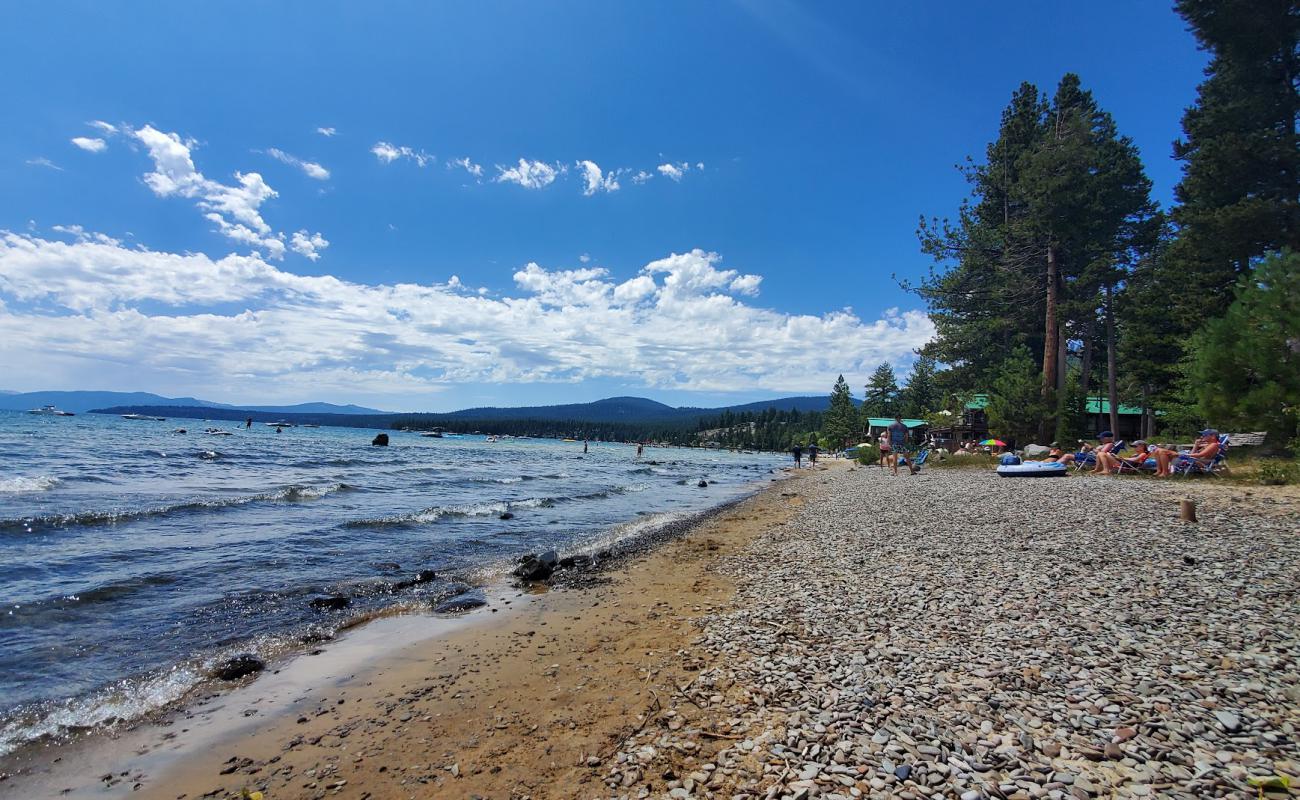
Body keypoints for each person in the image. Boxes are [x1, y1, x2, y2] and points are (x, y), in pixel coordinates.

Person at [1152, 429, 1221, 477]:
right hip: (1192, 459)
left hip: (1199, 462)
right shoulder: (1207, 445)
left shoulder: (1214, 445)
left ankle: (1165, 472)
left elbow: (1200, 455)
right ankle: (1160, 471)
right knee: (1158, 450)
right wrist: (1196, 445)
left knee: (1162, 451)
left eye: (1205, 435)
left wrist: (1181, 454)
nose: (1202, 436)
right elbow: (1193, 453)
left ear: (1213, 436)